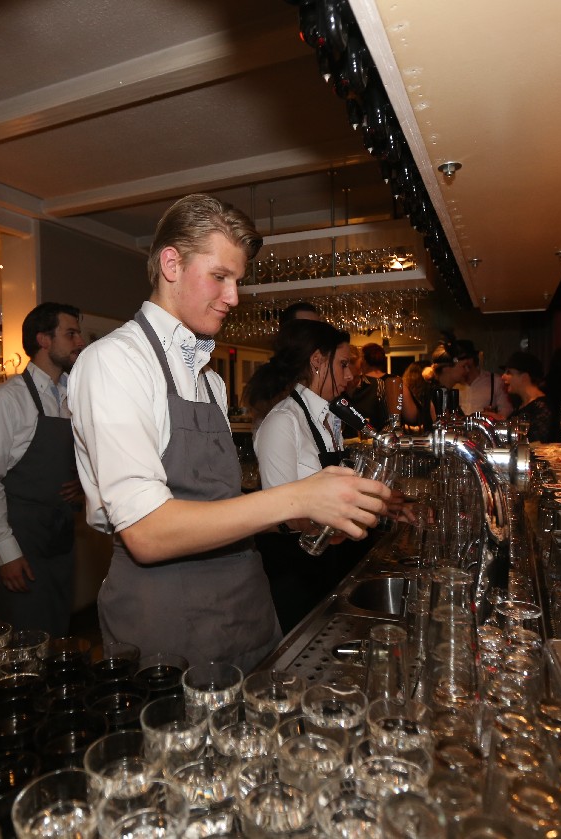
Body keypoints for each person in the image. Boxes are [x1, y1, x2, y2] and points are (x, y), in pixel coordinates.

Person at [68, 194, 390, 672]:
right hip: (169, 622)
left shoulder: (209, 379)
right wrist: (298, 497)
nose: (234, 297)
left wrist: (299, 519)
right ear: (171, 264)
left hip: (246, 609)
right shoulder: (115, 362)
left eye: (237, 281)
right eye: (220, 277)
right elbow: (146, 532)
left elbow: (216, 504)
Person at [0, 303, 87, 636]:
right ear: (43, 340)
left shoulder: (73, 395)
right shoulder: (7, 399)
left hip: (62, 539)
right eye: (71, 333)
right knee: (26, 642)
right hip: (23, 543)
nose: (80, 342)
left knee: (59, 634)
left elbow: (81, 456)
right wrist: (6, 553)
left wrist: (83, 483)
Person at [250, 319, 365, 631]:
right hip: (295, 572)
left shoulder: (330, 419)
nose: (349, 375)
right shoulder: (283, 421)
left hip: (329, 563)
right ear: (317, 361)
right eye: (343, 364)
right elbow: (277, 512)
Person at [431, 338, 512, 420]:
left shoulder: (445, 393)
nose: (467, 370)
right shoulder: (437, 395)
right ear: (447, 368)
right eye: (463, 366)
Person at [499, 351, 557, 442]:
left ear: (524, 377)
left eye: (509, 372)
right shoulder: (522, 404)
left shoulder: (542, 406)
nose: (503, 376)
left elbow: (537, 442)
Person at [345, 341, 392, 432]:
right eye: (346, 377)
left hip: (373, 440)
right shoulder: (333, 390)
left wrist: (378, 438)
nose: (352, 382)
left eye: (356, 376)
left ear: (362, 368)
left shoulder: (377, 385)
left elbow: (388, 423)